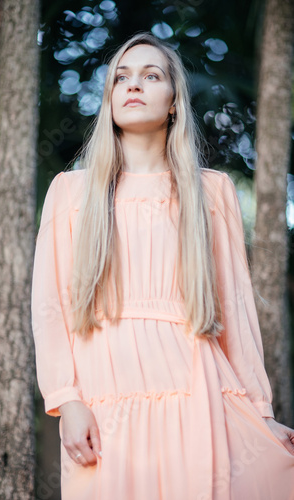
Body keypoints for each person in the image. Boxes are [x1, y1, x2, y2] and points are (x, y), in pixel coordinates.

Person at [31, 32, 294, 500]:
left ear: (174, 102)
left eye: (151, 76)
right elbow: (51, 305)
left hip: (198, 390)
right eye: (121, 78)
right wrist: (66, 399)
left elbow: (234, 306)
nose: (133, 86)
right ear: (109, 97)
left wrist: (261, 410)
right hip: (104, 395)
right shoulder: (71, 192)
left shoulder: (211, 192)